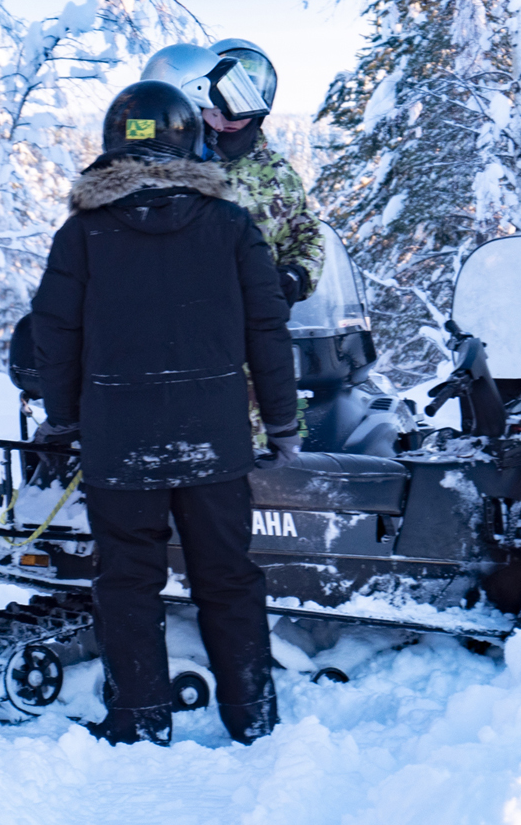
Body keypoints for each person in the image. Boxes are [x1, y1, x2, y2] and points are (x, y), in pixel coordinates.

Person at [29, 80, 299, 746]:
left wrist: (62, 421)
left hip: (118, 445)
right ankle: (253, 721)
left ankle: (138, 724)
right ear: (189, 136)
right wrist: (284, 421)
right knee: (230, 580)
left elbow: (52, 334)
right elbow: (267, 329)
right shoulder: (232, 226)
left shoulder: (84, 234)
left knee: (126, 584)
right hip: (215, 442)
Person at [141, 42, 322, 303]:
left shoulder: (278, 175)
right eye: (221, 103)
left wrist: (296, 276)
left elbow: (307, 235)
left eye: (244, 102)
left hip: (254, 321)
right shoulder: (168, 163)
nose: (231, 117)